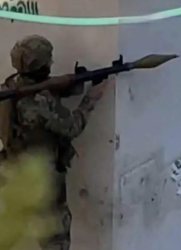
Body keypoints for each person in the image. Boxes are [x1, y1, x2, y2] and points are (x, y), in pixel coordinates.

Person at [1, 34, 109, 250]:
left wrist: (75, 83)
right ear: (41, 64)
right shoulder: (40, 102)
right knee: (55, 236)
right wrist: (92, 97)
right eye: (48, 59)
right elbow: (72, 127)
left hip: (14, 170)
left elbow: (45, 91)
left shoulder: (9, 87)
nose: (51, 63)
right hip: (43, 177)